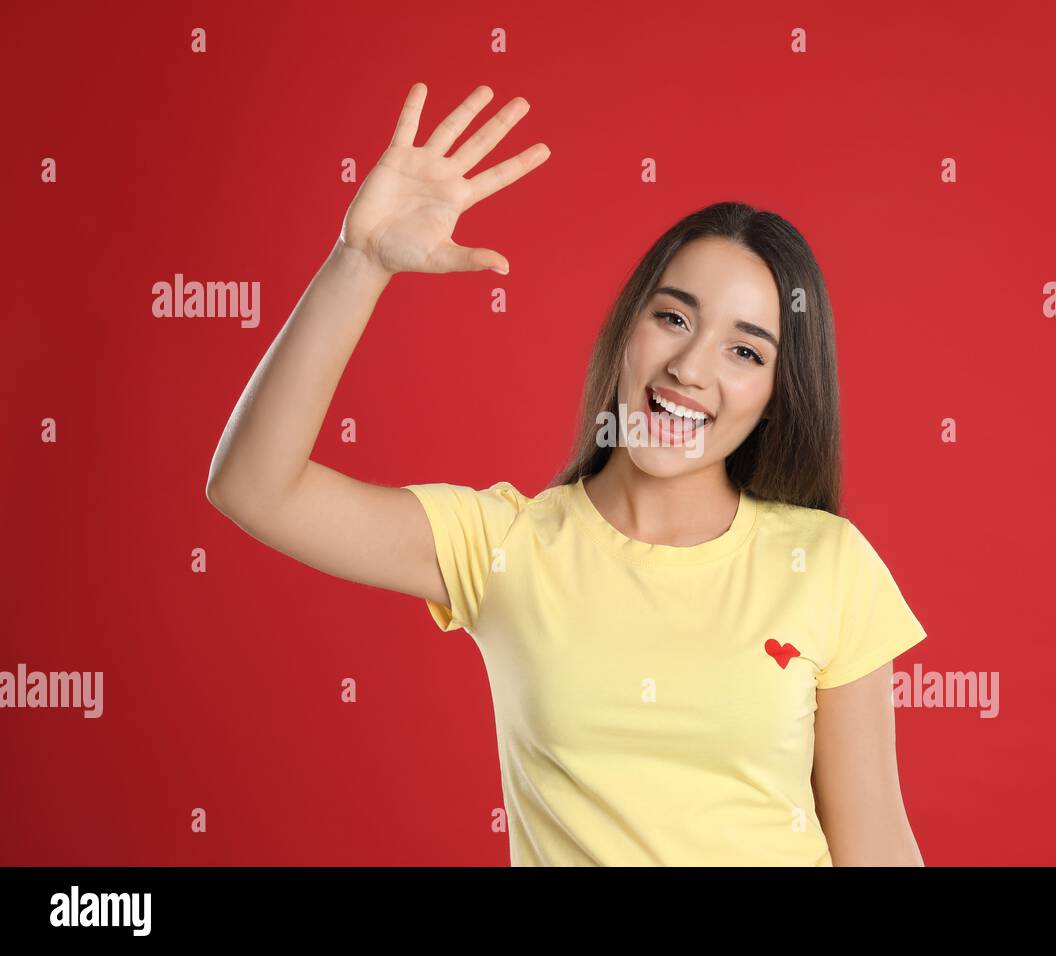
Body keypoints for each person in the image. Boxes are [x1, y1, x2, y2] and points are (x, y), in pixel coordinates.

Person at [206, 82, 929, 866]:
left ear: (779, 395)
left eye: (745, 350)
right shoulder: (505, 545)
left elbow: (877, 843)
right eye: (674, 317)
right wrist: (361, 261)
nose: (691, 368)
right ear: (628, 327)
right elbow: (254, 486)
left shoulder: (825, 563)